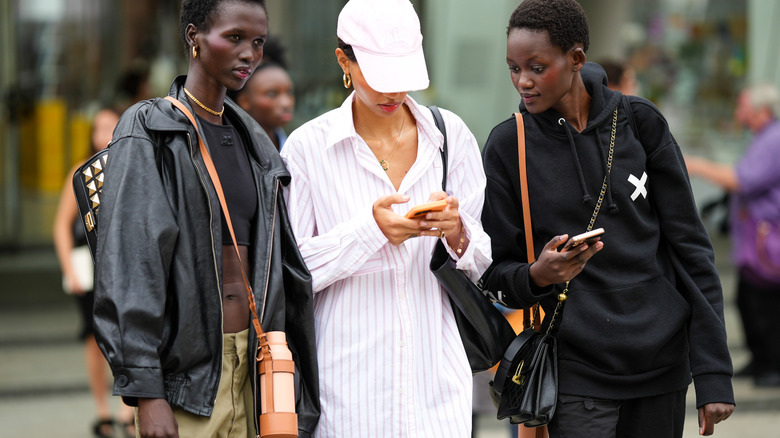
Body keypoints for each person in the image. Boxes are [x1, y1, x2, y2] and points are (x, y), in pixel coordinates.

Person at [480, 1, 735, 437]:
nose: (523, 81)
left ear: (576, 59)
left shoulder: (641, 123)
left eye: (537, 68)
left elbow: (691, 250)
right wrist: (538, 275)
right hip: (574, 372)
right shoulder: (509, 146)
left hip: (662, 368)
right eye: (513, 68)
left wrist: (713, 372)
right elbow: (494, 273)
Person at [91, 1, 319, 437]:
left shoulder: (255, 142)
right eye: (234, 38)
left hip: (256, 365)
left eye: (258, 41)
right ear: (194, 36)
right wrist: (147, 392)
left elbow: (283, 269)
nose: (249, 53)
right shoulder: (150, 128)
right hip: (188, 379)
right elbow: (131, 264)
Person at [279, 0, 492, 436]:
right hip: (347, 391)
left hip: (437, 388)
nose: (393, 92)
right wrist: (370, 231)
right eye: (380, 77)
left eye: (403, 75)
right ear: (344, 62)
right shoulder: (307, 149)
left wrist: (455, 230)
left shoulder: (450, 137)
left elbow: (483, 262)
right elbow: (290, 271)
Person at [686, 83, 780, 388]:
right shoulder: (762, 138)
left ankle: (772, 365)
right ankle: (761, 360)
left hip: (767, 238)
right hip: (754, 238)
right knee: (747, 300)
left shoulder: (772, 139)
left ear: (761, 111)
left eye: (743, 107)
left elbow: (742, 179)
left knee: (764, 303)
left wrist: (697, 165)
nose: (738, 113)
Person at [54, 107, 137, 438]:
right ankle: (103, 411)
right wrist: (69, 270)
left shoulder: (134, 165)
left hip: (127, 268)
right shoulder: (80, 172)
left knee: (131, 335)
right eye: (99, 127)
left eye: (111, 126)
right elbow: (61, 226)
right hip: (88, 269)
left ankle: (128, 410)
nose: (104, 133)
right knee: (94, 339)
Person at [229, 36, 294, 150]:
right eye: (272, 94)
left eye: (289, 92)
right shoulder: (234, 150)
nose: (286, 103)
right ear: (244, 101)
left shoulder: (296, 145)